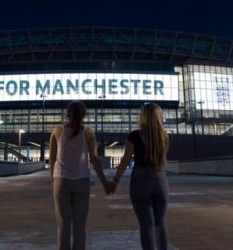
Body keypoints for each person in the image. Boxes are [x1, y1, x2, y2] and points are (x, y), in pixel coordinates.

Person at [50, 101, 113, 250]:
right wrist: (105, 182)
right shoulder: (89, 133)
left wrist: (54, 181)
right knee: (80, 227)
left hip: (61, 181)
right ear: (84, 115)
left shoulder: (57, 131)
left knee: (63, 226)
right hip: (82, 182)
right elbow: (94, 158)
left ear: (67, 114)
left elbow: (52, 159)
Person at [111, 102, 170, 250]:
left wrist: (115, 180)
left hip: (140, 181)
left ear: (143, 116)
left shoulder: (135, 136)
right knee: (160, 222)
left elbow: (125, 161)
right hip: (160, 181)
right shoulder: (165, 136)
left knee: (146, 224)